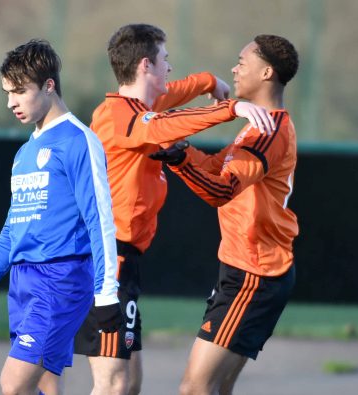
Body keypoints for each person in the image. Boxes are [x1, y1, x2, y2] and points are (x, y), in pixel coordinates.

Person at [74, 24, 276, 395]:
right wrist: (233, 108)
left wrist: (207, 81)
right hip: (105, 259)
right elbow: (167, 124)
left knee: (129, 383)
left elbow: (171, 100)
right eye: (165, 60)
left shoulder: (138, 108)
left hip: (124, 260)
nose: (170, 67)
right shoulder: (120, 116)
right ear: (146, 65)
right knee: (114, 385)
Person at [0, 39, 123, 395]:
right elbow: (12, 228)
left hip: (61, 279)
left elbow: (101, 221)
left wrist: (107, 293)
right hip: (23, 282)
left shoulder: (79, 141)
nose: (11, 102)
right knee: (45, 386)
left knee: (13, 385)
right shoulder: (25, 152)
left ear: (49, 86)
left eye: (19, 91)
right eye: (7, 93)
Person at [150, 34, 300, 394]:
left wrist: (180, 161)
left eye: (242, 61)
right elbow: (216, 167)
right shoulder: (256, 127)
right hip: (245, 269)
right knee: (214, 388)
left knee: (194, 388)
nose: (234, 68)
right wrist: (175, 144)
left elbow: (221, 190)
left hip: (255, 272)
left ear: (266, 73)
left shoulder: (269, 131)